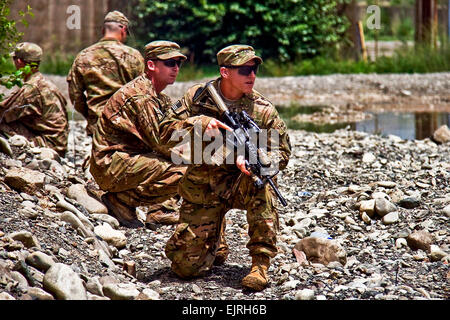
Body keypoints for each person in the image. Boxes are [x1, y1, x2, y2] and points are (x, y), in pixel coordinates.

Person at [164, 44, 292, 291]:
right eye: (244, 70)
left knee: (262, 184)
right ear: (225, 72)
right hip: (204, 186)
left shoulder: (261, 109)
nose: (252, 75)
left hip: (240, 183)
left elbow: (282, 151)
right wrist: (198, 124)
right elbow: (164, 135)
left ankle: (260, 264)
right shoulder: (199, 98)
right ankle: (215, 236)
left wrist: (263, 161)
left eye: (254, 69)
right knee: (185, 268)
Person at [89, 41, 229, 229]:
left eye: (178, 64)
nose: (176, 68)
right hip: (109, 164)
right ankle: (122, 201)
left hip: (126, 159)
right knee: (185, 170)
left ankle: (160, 211)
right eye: (170, 63)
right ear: (151, 65)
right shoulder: (142, 97)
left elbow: (172, 131)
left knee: (191, 159)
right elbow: (163, 142)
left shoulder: (158, 97)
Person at [67, 10, 144, 136]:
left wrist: (91, 115)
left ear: (103, 30)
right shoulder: (134, 56)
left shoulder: (83, 56)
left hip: (97, 126)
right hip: (126, 126)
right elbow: (142, 92)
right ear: (123, 30)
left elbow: (75, 95)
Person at [0, 42, 69, 157]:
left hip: (48, 145)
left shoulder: (31, 88)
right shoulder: (46, 84)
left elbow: (3, 111)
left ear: (19, 62)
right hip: (59, 143)